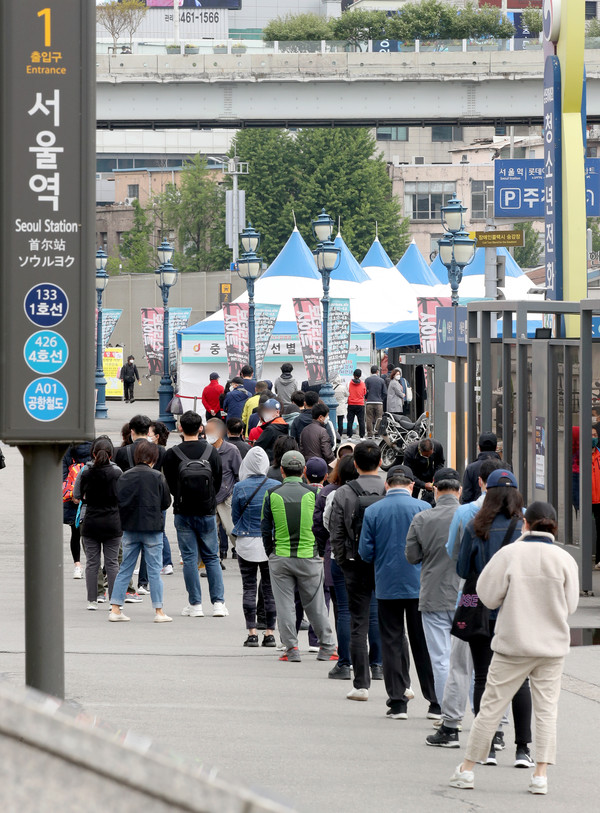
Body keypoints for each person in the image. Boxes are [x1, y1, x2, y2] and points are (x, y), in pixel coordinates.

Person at [449, 502, 579, 795]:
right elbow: (570, 605)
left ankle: (468, 769)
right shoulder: (565, 558)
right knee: (547, 710)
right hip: (552, 646)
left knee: (492, 706)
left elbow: (487, 596)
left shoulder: (509, 554)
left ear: (526, 524)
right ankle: (540, 775)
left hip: (513, 643)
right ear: (554, 526)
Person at [457, 468, 532, 768]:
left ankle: (487, 746)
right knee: (520, 680)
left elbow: (463, 570)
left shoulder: (475, 526)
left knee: (483, 678)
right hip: (517, 612)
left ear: (486, 493)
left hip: (481, 611)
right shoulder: (524, 527)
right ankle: (523, 750)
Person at [428, 458, 504, 748]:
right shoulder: (520, 515)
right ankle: (497, 729)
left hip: (472, 595)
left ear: (481, 482)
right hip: (506, 600)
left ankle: (450, 725)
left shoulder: (466, 513)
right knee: (499, 668)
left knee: (461, 663)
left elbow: (455, 556)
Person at [359, 465, 438, 719]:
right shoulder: (424, 509)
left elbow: (365, 552)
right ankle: (435, 701)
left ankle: (397, 701)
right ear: (412, 486)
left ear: (386, 484)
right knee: (423, 643)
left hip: (387, 584)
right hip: (419, 585)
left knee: (391, 641)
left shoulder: (373, 511)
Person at [261, 450, 337, 663]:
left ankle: (291, 648)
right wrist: (319, 552)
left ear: (282, 471)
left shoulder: (272, 493)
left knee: (284, 605)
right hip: (309, 556)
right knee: (316, 605)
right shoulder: (313, 494)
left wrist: (271, 552)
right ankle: (327, 647)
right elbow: (322, 526)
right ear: (303, 471)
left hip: (281, 556)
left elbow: (265, 528)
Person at [317, 454, 382, 682]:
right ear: (380, 462)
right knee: (373, 612)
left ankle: (345, 664)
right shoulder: (383, 490)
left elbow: (327, 524)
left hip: (344, 559)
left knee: (345, 612)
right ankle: (377, 664)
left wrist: (341, 554)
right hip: (375, 559)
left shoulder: (338, 493)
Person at [329, 441, 386, 700]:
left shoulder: (344, 493)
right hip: (385, 567)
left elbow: (336, 533)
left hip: (354, 565)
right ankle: (389, 672)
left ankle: (361, 684)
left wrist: (343, 562)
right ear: (381, 462)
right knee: (389, 622)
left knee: (357, 623)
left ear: (354, 464)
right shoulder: (389, 489)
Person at [405, 468, 462, 722]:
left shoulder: (422, 518)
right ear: (459, 492)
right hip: (466, 598)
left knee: (440, 657)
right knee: (467, 658)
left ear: (435, 491)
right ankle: (473, 712)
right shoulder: (470, 518)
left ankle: (444, 711)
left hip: (433, 594)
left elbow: (412, 556)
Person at [162, 410, 228, 618]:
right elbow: (217, 481)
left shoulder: (171, 454)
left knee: (189, 558)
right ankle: (218, 603)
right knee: (211, 556)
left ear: (180, 428)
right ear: (201, 429)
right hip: (207, 510)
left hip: (183, 511)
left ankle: (195, 604)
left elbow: (171, 484)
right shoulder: (211, 452)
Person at [110, 441, 172, 623]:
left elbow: (118, 499)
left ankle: (115, 608)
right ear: (153, 458)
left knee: (125, 568)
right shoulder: (157, 477)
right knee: (154, 570)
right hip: (153, 527)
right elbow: (166, 502)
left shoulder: (124, 476)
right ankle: (159, 611)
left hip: (129, 527)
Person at [231, 447, 279, 648]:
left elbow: (235, 516)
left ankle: (252, 633)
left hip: (246, 541)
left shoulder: (240, 487)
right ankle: (269, 633)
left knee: (249, 587)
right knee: (270, 589)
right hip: (269, 543)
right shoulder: (276, 485)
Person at [75, 437, 122, 611]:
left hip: (91, 519)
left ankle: (92, 600)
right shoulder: (117, 471)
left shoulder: (85, 471)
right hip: (112, 520)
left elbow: (77, 494)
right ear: (111, 454)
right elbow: (122, 495)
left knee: (92, 563)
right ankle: (114, 600)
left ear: (93, 453)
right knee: (112, 563)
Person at [205, 418, 242, 561]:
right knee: (210, 532)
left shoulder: (231, 450)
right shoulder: (205, 450)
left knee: (231, 530)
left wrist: (236, 495)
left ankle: (243, 555)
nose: (207, 434)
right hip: (209, 497)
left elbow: (239, 474)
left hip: (227, 496)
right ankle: (213, 561)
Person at [62, 441, 92, 579]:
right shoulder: (95, 446)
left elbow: (62, 474)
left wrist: (73, 494)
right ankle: (94, 565)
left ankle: (77, 566)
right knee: (92, 534)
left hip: (72, 497)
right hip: (92, 497)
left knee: (75, 532)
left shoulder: (68, 448)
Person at [149, 420, 174, 576]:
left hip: (154, 495)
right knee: (159, 530)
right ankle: (165, 563)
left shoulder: (157, 452)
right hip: (161, 495)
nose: (147, 435)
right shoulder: (164, 451)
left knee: (157, 531)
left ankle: (165, 562)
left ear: (156, 436)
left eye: (149, 433)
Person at [461, 432, 503, 504]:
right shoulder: (505, 467)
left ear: (479, 447)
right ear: (496, 448)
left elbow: (466, 497)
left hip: (476, 513)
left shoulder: (471, 468)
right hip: (500, 512)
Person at [403, 437, 445, 505]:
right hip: (415, 475)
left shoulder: (437, 446)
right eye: (425, 456)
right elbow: (409, 474)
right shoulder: (410, 452)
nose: (428, 457)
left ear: (433, 449)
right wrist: (423, 485)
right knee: (412, 500)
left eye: (430, 455)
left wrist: (436, 476)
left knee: (431, 501)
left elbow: (440, 463)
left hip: (430, 474)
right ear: (420, 450)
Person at [365, 365, 387, 438]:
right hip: (379, 402)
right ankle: (377, 433)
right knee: (379, 418)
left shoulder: (367, 380)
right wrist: (381, 398)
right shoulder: (381, 380)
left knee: (369, 418)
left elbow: (365, 391)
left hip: (369, 402)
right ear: (377, 371)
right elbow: (385, 392)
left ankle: (369, 434)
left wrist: (367, 397)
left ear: (371, 371)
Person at [347, 369, 366, 439]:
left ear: (353, 375)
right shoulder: (363, 383)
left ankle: (349, 436)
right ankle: (362, 436)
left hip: (351, 403)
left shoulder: (349, 383)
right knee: (361, 421)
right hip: (360, 404)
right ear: (360, 375)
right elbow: (364, 393)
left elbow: (347, 392)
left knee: (350, 420)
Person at [592, 423, 600, 569]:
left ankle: (598, 559)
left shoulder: (599, 455)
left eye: (595, 436)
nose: (593, 438)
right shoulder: (578, 456)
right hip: (586, 499)